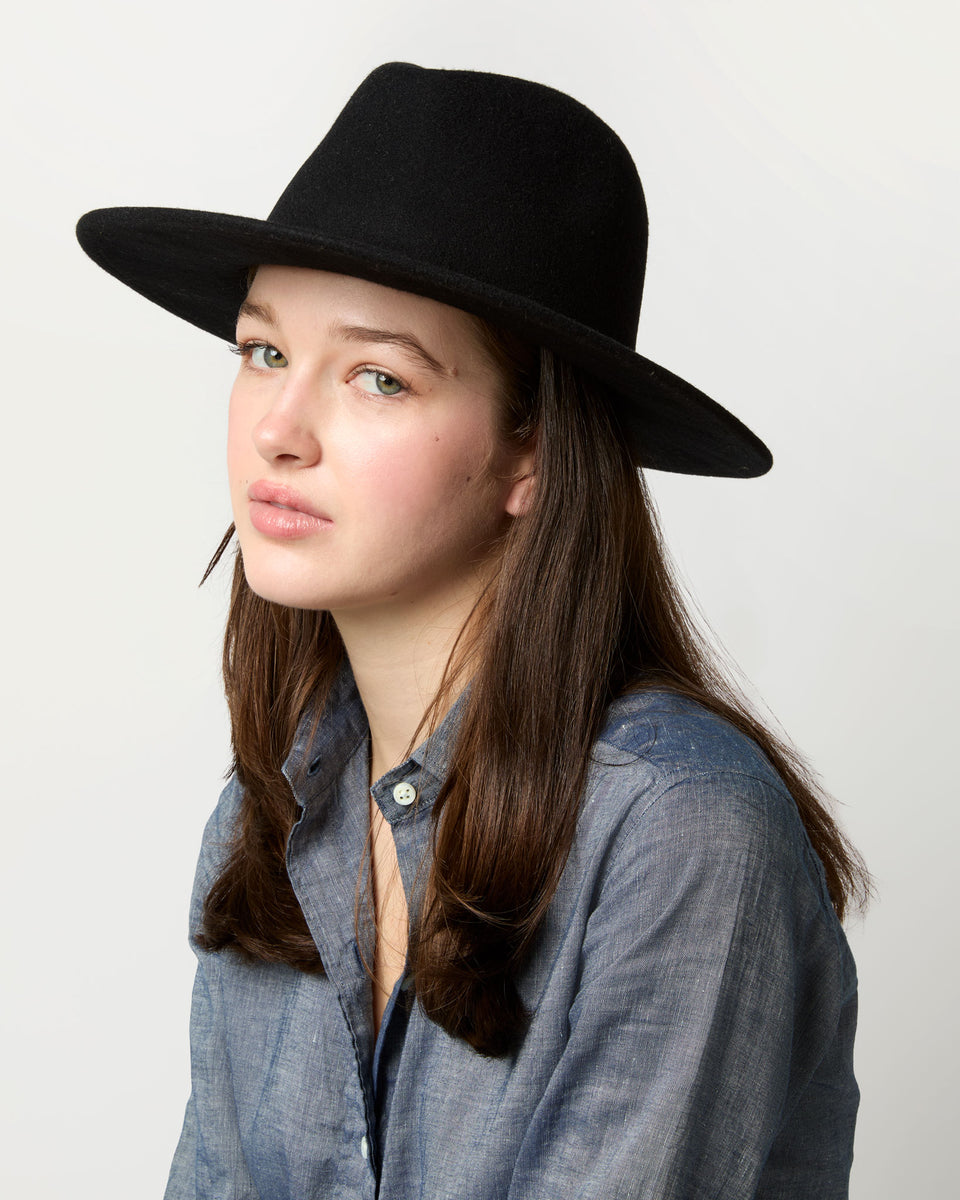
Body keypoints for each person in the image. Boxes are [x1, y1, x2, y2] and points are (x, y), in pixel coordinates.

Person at [76, 62, 866, 1200]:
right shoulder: (273, 812)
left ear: (531, 452)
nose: (280, 429)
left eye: (379, 378)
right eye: (264, 352)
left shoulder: (677, 830)